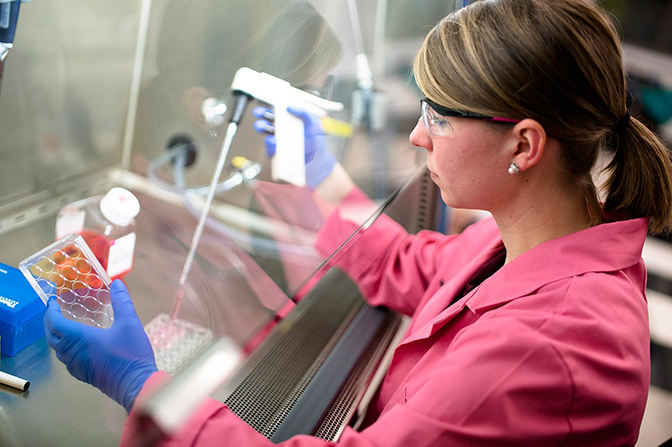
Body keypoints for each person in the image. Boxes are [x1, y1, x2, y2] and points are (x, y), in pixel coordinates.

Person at [44, 0, 672, 445]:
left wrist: (139, 384)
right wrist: (321, 175)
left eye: (441, 117)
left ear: (524, 146)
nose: (417, 135)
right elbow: (407, 265)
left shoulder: (546, 348)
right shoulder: (523, 240)